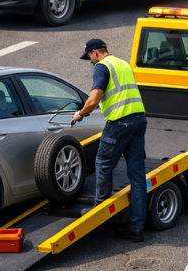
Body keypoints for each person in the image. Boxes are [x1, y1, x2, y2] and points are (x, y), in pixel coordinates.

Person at [72, 39, 148, 242]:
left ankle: (100, 212)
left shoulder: (102, 67)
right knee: (138, 176)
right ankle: (136, 227)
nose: (90, 61)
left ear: (95, 52)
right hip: (139, 120)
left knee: (103, 164)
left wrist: (81, 114)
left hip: (120, 123)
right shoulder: (123, 64)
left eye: (89, 57)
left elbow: (94, 99)